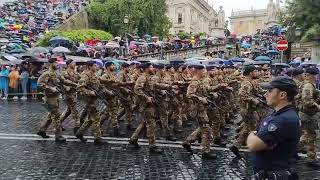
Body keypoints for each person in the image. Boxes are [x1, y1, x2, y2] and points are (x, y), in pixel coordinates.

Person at [247, 77, 300, 180]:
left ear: (282, 95)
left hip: (275, 174)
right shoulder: (280, 114)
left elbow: (253, 145)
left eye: (270, 91)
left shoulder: (282, 119)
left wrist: (251, 134)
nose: (265, 94)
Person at [36, 59, 66, 142]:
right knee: (56, 115)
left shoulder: (56, 73)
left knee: (51, 115)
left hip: (56, 97)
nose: (57, 64)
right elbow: (39, 84)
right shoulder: (46, 73)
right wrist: (51, 88)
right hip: (49, 98)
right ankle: (58, 136)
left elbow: (63, 81)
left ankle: (42, 130)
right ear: (51, 64)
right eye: (55, 63)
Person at [299, 67, 320, 167]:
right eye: (316, 75)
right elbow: (307, 102)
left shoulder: (309, 84)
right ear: (311, 75)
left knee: (307, 135)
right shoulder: (308, 85)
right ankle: (312, 159)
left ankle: (295, 149)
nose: (317, 77)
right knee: (312, 136)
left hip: (308, 114)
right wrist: (318, 106)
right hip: (308, 114)